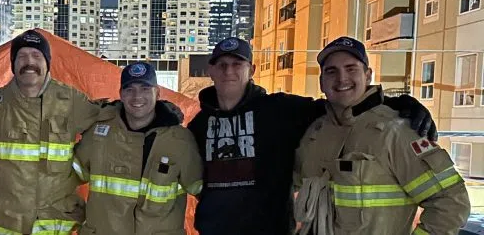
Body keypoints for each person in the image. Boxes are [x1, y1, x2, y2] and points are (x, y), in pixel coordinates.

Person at [187, 36, 438, 235]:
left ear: (251, 69)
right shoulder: (199, 125)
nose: (228, 71)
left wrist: (397, 104)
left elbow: (342, 104)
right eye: (222, 65)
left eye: (237, 64)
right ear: (211, 70)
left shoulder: (281, 110)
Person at [293, 36, 470, 234]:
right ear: (321, 82)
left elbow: (451, 204)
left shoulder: (396, 131)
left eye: (351, 69)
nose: (342, 78)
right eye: (331, 71)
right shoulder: (314, 134)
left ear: (368, 75)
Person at [0, 29, 105, 235]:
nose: (29, 61)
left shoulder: (70, 100)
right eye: (21, 56)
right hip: (4, 223)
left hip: (53, 225)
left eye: (36, 55)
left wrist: (78, 169)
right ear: (13, 63)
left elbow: (108, 125)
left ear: (47, 63)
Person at [72, 61, 202, 235]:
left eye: (145, 89)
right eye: (129, 89)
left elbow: (203, 192)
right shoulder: (98, 134)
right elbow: (66, 178)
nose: (137, 96)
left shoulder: (180, 141)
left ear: (158, 93)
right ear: (120, 94)